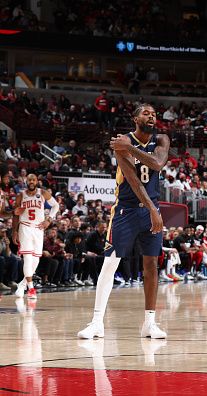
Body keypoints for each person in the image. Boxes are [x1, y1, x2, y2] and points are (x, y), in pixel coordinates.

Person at [77, 103, 170, 340]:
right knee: (110, 263)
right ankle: (97, 322)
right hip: (126, 211)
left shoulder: (161, 140)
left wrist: (132, 149)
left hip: (152, 210)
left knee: (151, 266)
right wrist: (152, 209)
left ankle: (149, 323)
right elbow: (134, 181)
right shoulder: (122, 143)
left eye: (154, 113)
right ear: (135, 118)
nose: (152, 116)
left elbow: (157, 164)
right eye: (146, 113)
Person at [13, 174, 59, 299]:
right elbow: (15, 215)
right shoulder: (21, 195)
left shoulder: (43, 193)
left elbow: (56, 206)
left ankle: (22, 285)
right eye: (29, 180)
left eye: (33, 180)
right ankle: (31, 288)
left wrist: (49, 219)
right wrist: (14, 232)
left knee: (36, 260)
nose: (31, 182)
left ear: (37, 181)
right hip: (25, 227)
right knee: (28, 258)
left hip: (39, 228)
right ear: (26, 181)